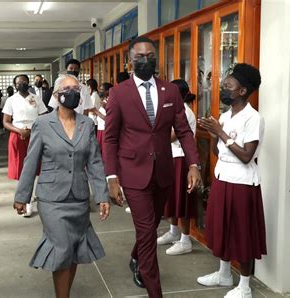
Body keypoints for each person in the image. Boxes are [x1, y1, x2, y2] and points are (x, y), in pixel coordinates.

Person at [103, 36, 202, 297]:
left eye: (150, 56)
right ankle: (154, 290)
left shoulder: (169, 91)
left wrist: (194, 164)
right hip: (133, 173)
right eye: (140, 57)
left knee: (151, 224)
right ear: (129, 61)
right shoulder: (118, 93)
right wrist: (112, 177)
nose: (146, 61)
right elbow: (110, 137)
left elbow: (183, 131)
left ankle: (136, 256)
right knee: (146, 230)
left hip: (163, 173)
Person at [14, 74, 110, 298]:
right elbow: (31, 161)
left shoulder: (86, 124)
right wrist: (23, 195)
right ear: (56, 95)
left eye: (77, 88)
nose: (73, 92)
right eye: (68, 88)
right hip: (51, 199)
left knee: (74, 247)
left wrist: (101, 196)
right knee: (62, 247)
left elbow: (94, 161)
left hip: (78, 197)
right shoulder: (43, 123)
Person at [197, 63, 265, 298]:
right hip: (222, 178)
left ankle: (244, 286)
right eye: (223, 86)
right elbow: (220, 153)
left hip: (242, 183)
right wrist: (215, 134)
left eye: (228, 86)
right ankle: (224, 273)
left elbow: (246, 156)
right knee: (222, 227)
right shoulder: (225, 115)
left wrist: (222, 133)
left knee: (241, 232)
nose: (223, 89)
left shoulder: (253, 118)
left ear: (242, 91)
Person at [157, 79, 197, 256]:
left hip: (182, 159)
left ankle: (185, 239)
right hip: (172, 158)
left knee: (183, 200)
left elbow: (170, 137)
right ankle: (173, 232)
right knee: (172, 198)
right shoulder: (175, 110)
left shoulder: (186, 113)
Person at [3, 74, 47, 216]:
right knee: (21, 168)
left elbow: (44, 116)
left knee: (35, 166)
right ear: (15, 85)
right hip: (18, 135)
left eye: (24, 82)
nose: (21, 84)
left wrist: (32, 130)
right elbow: (6, 122)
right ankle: (24, 199)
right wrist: (20, 130)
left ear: (28, 83)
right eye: (18, 82)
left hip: (35, 134)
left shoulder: (35, 98)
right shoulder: (11, 100)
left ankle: (32, 198)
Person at [94, 82, 113, 156]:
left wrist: (95, 111)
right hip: (100, 128)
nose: (100, 91)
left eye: (102, 89)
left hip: (105, 130)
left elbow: (108, 118)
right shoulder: (104, 100)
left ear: (108, 91)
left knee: (105, 152)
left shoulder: (110, 101)